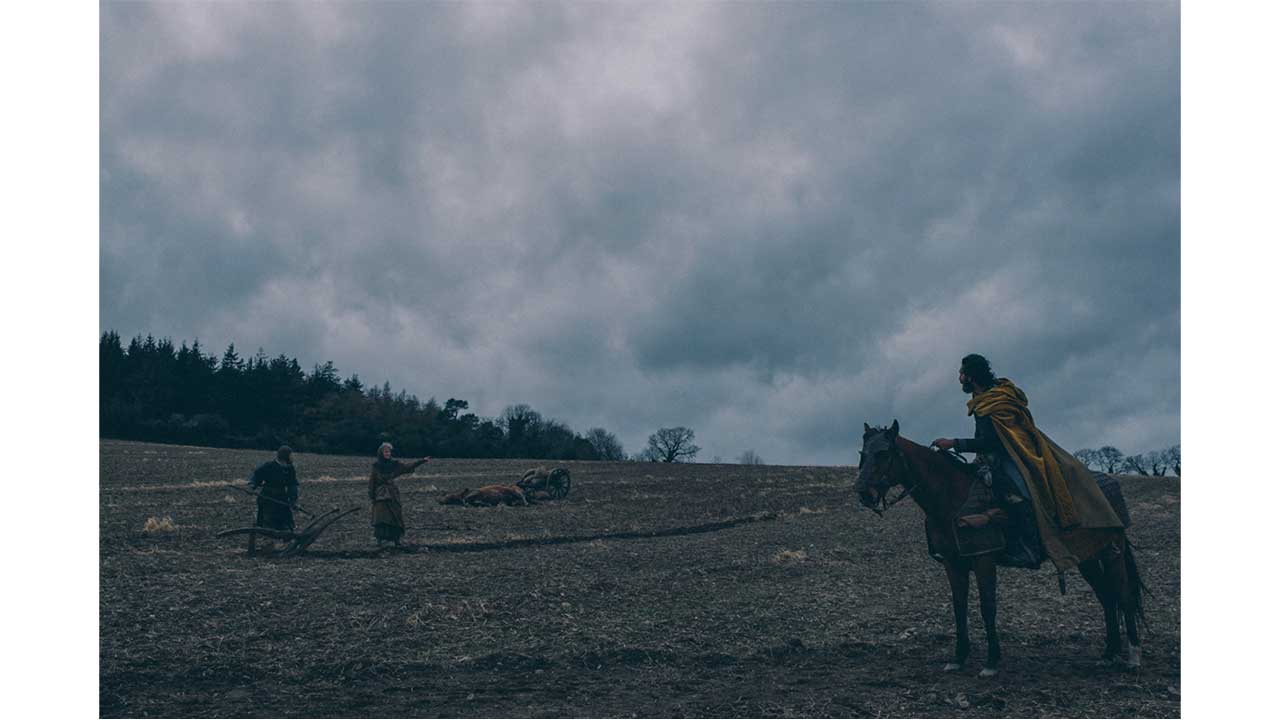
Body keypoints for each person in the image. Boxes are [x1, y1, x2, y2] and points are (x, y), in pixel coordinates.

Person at [931, 355, 1049, 569]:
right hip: (990, 457)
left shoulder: (997, 399)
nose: (960, 378)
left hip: (1012, 456)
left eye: (962, 374)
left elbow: (995, 441)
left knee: (1017, 494)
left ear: (971, 376)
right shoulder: (981, 400)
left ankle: (1031, 549)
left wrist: (955, 443)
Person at [369, 442, 430, 548]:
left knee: (395, 515)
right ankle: (379, 540)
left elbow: (407, 466)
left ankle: (396, 540)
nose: (388, 453)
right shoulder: (376, 466)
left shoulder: (395, 464)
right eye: (385, 452)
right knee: (380, 517)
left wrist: (422, 461)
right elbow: (372, 482)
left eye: (389, 452)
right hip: (380, 494)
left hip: (392, 494)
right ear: (381, 453)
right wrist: (372, 495)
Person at [246, 445, 299, 556]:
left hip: (282, 498)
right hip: (268, 498)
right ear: (285, 456)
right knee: (268, 521)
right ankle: (268, 545)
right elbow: (257, 475)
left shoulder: (290, 469)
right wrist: (251, 486)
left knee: (286, 521)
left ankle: (288, 543)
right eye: (290, 455)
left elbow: (292, 486)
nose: (292, 457)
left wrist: (293, 501)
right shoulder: (269, 466)